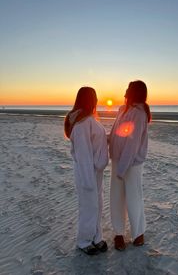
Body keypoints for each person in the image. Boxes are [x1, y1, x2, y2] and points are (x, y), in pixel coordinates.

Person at [64, 87, 109, 255]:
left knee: (97, 205)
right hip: (87, 172)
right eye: (95, 97)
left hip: (95, 172)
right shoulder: (82, 124)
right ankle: (84, 241)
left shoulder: (88, 119)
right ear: (90, 100)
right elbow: (83, 154)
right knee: (88, 206)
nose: (97, 100)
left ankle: (96, 237)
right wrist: (88, 180)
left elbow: (96, 140)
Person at [109, 80, 151, 250]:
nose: (125, 90)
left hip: (131, 164)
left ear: (135, 92)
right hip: (117, 160)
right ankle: (119, 234)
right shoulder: (121, 109)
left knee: (134, 198)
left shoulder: (140, 114)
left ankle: (138, 233)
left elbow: (132, 145)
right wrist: (102, 140)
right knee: (116, 198)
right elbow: (115, 133)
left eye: (129, 88)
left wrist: (122, 168)